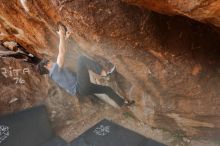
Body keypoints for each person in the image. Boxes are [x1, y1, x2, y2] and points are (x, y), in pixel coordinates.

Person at [37, 24, 133, 107]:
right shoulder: (54, 71)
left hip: (82, 91)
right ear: (46, 66)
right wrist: (61, 35)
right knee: (81, 59)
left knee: (106, 89)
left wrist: (65, 39)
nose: (51, 61)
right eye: (48, 61)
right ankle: (106, 75)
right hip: (80, 86)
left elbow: (64, 52)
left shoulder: (54, 75)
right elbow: (61, 52)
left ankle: (122, 103)